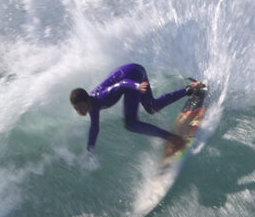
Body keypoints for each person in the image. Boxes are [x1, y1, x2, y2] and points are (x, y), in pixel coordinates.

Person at [70, 63, 203, 152]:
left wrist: (137, 86)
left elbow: (121, 85)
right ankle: (190, 89)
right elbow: (94, 127)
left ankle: (174, 139)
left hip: (131, 76)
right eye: (77, 109)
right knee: (152, 107)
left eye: (81, 107)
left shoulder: (100, 97)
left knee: (131, 123)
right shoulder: (91, 107)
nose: (80, 112)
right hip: (132, 72)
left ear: (87, 100)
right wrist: (90, 150)